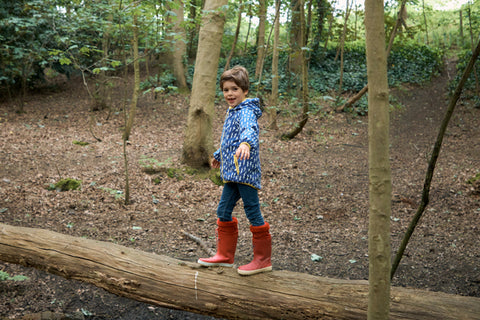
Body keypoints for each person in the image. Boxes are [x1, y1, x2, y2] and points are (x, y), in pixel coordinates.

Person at [197, 66, 272, 276]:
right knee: (223, 211)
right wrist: (220, 155)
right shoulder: (233, 111)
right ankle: (225, 255)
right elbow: (231, 140)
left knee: (252, 211)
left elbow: (249, 130)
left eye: (235, 89)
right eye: (226, 90)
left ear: (245, 90)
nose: (230, 94)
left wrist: (246, 144)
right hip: (232, 173)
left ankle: (262, 260)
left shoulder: (246, 111)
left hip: (245, 174)